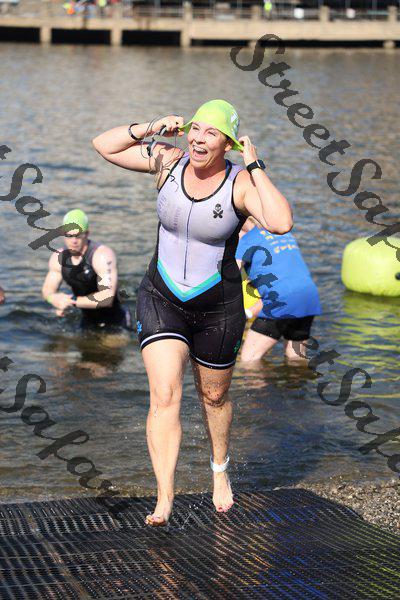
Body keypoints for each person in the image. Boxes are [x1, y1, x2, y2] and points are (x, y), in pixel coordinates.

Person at [92, 99, 292, 525]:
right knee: (165, 395)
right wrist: (150, 126)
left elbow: (280, 222)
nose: (199, 139)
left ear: (227, 144)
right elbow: (103, 145)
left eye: (211, 133)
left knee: (214, 397)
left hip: (217, 306)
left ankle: (219, 469)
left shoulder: (240, 183)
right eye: (195, 129)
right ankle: (165, 497)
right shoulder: (167, 160)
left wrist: (255, 165)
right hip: (161, 296)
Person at [236, 217, 321, 362]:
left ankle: (256, 378)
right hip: (308, 296)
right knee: (296, 358)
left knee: (249, 360)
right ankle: (299, 377)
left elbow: (229, 276)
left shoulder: (247, 239)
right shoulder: (284, 234)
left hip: (281, 299)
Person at [42, 209, 131, 330]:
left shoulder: (102, 255)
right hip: (87, 319)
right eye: (69, 235)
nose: (73, 241)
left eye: (78, 235)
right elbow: (47, 289)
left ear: (87, 234)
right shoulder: (59, 258)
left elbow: (107, 297)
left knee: (110, 342)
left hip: (114, 320)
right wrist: (55, 299)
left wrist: (72, 301)